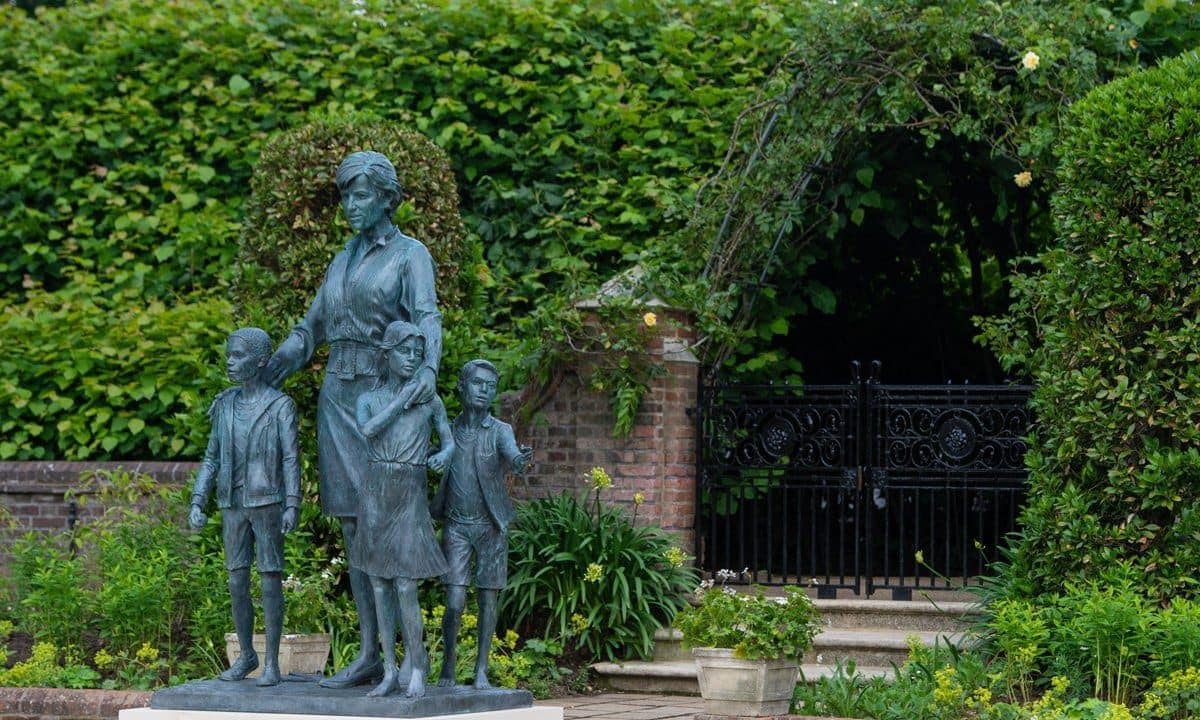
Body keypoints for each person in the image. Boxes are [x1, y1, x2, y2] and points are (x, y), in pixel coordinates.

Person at [264, 151, 442, 689]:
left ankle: (408, 659)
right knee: (351, 523)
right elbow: (311, 326)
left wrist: (429, 367)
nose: (349, 205)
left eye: (359, 195)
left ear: (387, 198)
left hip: (381, 397)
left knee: (386, 522)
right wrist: (276, 363)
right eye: (345, 195)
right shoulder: (340, 261)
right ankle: (370, 653)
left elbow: (427, 315)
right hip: (337, 396)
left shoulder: (411, 255)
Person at [189, 328, 301, 687]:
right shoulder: (224, 405)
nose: (230, 362)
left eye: (238, 356)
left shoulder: (280, 406)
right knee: (237, 580)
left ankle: (271, 662)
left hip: (267, 501)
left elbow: (290, 458)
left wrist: (293, 503)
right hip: (232, 503)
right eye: (229, 356)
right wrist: (197, 500)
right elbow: (210, 459)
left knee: (270, 580)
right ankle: (246, 656)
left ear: (261, 360)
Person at [353, 320, 454, 698]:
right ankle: (390, 670)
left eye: (417, 353)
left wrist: (444, 455)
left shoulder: (431, 401)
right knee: (379, 583)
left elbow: (448, 440)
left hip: (409, 490)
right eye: (404, 352)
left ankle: (418, 664)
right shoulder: (367, 398)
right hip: (377, 491)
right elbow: (368, 430)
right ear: (388, 355)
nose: (412, 359)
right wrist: (402, 398)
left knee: (406, 583)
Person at [432, 359, 532, 689]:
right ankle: (447, 665)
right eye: (478, 383)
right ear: (462, 387)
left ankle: (481, 670)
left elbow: (513, 455)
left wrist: (520, 460)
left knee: (489, 599)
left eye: (490, 386)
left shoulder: (501, 430)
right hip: (457, 526)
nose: (484, 390)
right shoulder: (449, 429)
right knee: (455, 600)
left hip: (491, 526)